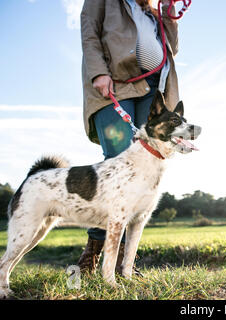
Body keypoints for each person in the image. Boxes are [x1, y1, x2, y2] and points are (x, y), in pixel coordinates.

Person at [78, 0, 180, 274]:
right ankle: (94, 253)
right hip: (116, 85)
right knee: (118, 166)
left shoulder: (150, 11)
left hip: (152, 90)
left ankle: (124, 262)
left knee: (144, 172)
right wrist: (98, 71)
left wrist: (169, 17)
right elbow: (89, 32)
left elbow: (173, 49)